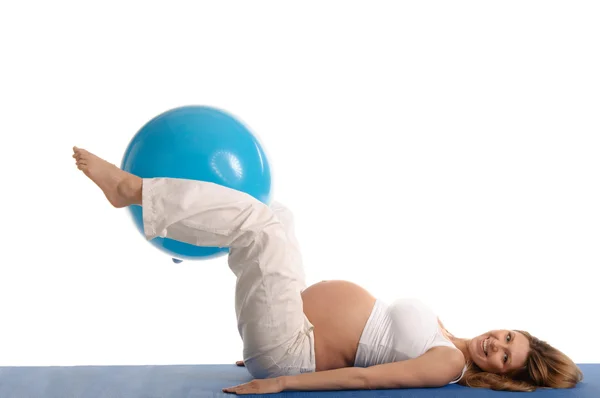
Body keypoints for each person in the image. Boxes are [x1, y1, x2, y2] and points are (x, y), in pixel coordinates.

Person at [72, 146, 583, 394]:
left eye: (502, 357)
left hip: (289, 350)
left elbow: (365, 378)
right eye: (507, 337)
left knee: (263, 228)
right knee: (281, 217)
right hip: (290, 325)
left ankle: (133, 192)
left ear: (502, 378)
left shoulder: (447, 366)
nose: (495, 344)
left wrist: (281, 383)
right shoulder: (448, 335)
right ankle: (175, 223)